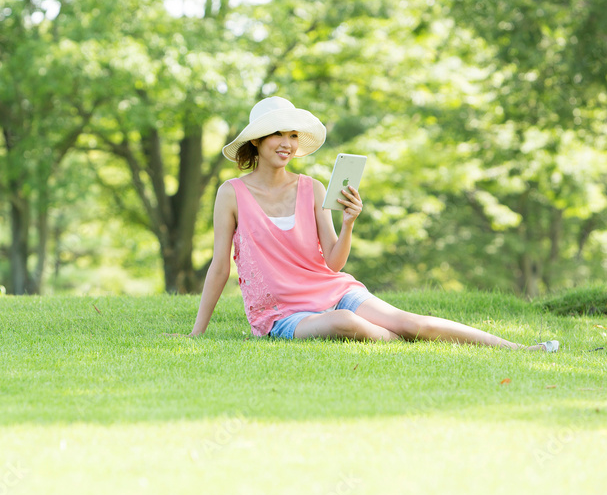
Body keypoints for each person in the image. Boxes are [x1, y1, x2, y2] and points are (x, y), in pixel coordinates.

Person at [189, 96, 559, 352]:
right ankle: (406, 344)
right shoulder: (231, 193)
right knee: (344, 323)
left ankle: (519, 348)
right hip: (282, 314)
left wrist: (348, 222)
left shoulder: (312, 189)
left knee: (414, 323)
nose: (286, 143)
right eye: (277, 134)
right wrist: (197, 332)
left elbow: (333, 263)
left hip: (333, 290)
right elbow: (220, 265)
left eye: (292, 135)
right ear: (256, 141)